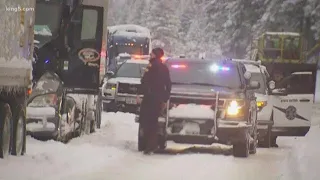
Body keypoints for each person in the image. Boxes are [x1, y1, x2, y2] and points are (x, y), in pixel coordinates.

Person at [137, 47, 171, 154]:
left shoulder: (151, 66)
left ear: (155, 55)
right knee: (154, 122)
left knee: (146, 121)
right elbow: (168, 84)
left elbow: (145, 81)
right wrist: (165, 99)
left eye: (151, 54)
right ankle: (152, 144)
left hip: (149, 97)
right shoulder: (164, 68)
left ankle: (149, 146)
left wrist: (140, 94)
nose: (150, 56)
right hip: (158, 99)